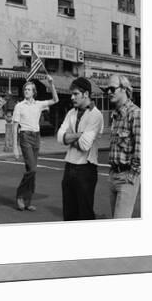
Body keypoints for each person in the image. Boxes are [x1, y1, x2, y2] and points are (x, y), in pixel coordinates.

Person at [57, 78, 104, 221]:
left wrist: (68, 138)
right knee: (69, 213)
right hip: (69, 166)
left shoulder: (96, 115)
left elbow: (85, 145)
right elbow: (59, 137)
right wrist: (79, 134)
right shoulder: (71, 112)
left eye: (76, 94)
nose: (72, 97)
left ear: (86, 94)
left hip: (86, 168)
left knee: (85, 214)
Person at [12, 76, 59, 211]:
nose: (26, 91)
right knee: (32, 169)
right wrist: (15, 147)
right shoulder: (19, 106)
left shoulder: (39, 104)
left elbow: (56, 100)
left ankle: (28, 201)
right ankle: (20, 195)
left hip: (36, 137)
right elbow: (15, 127)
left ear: (34, 92)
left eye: (29, 90)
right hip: (25, 136)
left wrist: (51, 84)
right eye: (25, 89)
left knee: (31, 170)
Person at [106, 75, 141, 218]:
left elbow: (140, 150)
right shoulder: (116, 115)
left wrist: (131, 178)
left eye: (112, 88)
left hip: (126, 177)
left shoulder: (136, 113)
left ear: (125, 90)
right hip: (113, 175)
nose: (109, 92)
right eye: (107, 89)